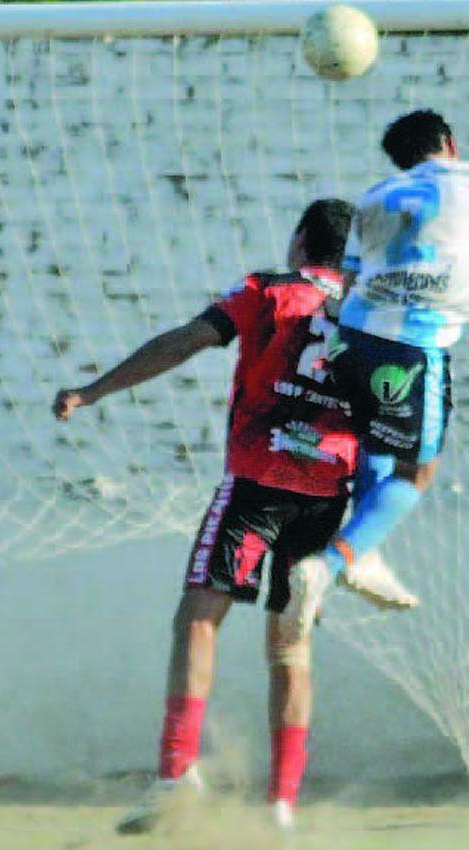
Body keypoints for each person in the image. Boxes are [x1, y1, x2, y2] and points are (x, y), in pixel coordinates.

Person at [54, 200, 410, 833]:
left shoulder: (270, 291)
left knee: (198, 617)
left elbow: (185, 342)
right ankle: (281, 807)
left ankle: (174, 775)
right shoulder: (370, 312)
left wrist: (93, 389)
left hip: (257, 482)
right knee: (291, 645)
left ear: (300, 241)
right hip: (328, 493)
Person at [286, 109, 468, 634]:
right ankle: (329, 566)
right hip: (412, 350)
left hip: (351, 341)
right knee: (418, 472)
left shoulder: (377, 195)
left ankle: (363, 554)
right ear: (450, 143)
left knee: (376, 441)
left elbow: (351, 277)